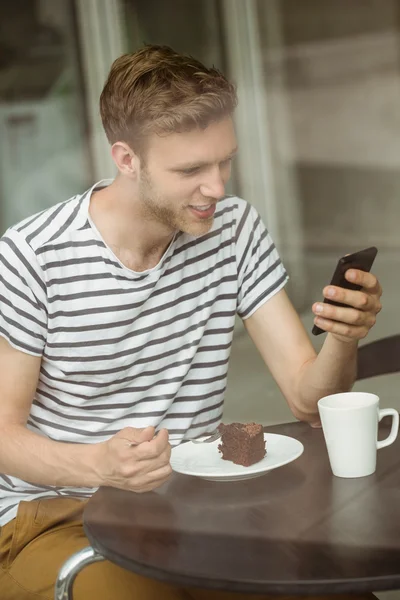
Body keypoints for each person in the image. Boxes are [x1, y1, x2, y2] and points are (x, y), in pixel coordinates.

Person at [0, 45, 381, 600]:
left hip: (194, 508)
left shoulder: (234, 229)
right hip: (53, 516)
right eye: (191, 170)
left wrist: (343, 339)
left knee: (336, 590)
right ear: (126, 159)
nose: (218, 188)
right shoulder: (32, 257)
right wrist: (100, 464)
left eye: (225, 160)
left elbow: (308, 398)